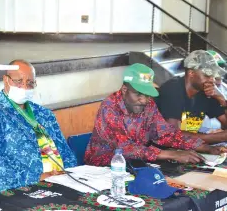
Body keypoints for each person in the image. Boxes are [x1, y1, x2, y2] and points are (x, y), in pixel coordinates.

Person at [85, 63, 226, 167]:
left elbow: (166, 133)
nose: (143, 100)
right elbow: (125, 148)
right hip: (104, 167)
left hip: (137, 163)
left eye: (147, 95)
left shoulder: (148, 104)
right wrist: (171, 154)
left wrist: (203, 147)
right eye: (138, 94)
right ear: (124, 89)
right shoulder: (110, 107)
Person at [0, 60, 77, 195]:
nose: (24, 87)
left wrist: (67, 172)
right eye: (18, 81)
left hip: (57, 182)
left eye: (30, 83)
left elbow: (65, 152)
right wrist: (37, 178)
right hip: (13, 191)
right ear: (6, 80)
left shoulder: (44, 115)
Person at [156, 50, 227, 144]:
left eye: (213, 76)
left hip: (189, 148)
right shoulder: (173, 89)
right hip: (161, 150)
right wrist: (215, 137)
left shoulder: (206, 92)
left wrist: (221, 99)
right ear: (191, 73)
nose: (212, 80)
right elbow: (172, 135)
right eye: (207, 75)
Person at [200, 51, 227, 133]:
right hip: (200, 137)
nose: (220, 71)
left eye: (223, 67)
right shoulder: (194, 92)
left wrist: (221, 98)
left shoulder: (225, 88)